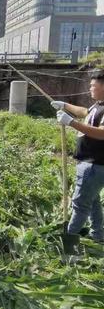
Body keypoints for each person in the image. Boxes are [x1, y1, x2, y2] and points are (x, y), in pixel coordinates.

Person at [53, 70, 104, 242]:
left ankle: (68, 244)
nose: (90, 88)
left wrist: (71, 123)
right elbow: (84, 112)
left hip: (94, 164)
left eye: (93, 86)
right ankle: (98, 235)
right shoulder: (98, 105)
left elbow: (102, 133)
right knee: (93, 201)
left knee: (80, 204)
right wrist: (65, 106)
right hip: (89, 163)